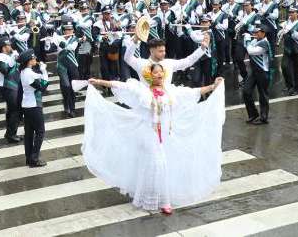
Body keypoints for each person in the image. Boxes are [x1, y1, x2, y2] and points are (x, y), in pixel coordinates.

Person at [85, 66, 225, 214]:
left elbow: (193, 92)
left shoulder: (171, 91)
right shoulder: (142, 90)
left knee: (156, 165)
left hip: (165, 135)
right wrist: (98, 81)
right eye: (156, 72)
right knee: (159, 163)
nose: (159, 74)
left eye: (161, 72)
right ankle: (165, 202)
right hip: (148, 133)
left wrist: (213, 86)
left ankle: (150, 194)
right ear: (150, 75)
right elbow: (120, 85)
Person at [19, 49, 49, 167]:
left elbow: (37, 76)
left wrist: (41, 71)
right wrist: (44, 71)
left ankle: (29, 157)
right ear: (29, 61)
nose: (36, 60)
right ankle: (34, 158)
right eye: (34, 58)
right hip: (33, 105)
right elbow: (43, 86)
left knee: (29, 133)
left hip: (27, 105)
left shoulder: (24, 72)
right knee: (40, 132)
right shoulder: (28, 73)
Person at [242, 23, 273, 124]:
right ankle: (253, 114)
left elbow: (250, 51)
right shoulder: (256, 40)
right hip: (254, 71)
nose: (255, 34)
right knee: (246, 91)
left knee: (263, 95)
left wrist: (247, 40)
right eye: (254, 32)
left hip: (263, 72)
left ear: (263, 33)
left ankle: (264, 118)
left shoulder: (264, 43)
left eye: (257, 32)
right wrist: (247, 40)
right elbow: (246, 47)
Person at [0, 38, 22, 143]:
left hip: (15, 85)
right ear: (4, 48)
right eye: (8, 45)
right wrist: (12, 59)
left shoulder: (10, 56)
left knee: (12, 111)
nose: (11, 47)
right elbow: (5, 71)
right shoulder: (0, 59)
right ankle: (11, 134)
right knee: (15, 110)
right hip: (7, 86)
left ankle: (10, 133)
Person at [280, 6, 298, 96]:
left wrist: (291, 31)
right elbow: (283, 33)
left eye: (293, 12)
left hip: (297, 49)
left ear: (297, 13)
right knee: (284, 66)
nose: (291, 14)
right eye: (290, 12)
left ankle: (297, 89)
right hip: (287, 48)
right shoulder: (287, 23)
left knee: (297, 70)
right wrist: (281, 32)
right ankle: (289, 86)